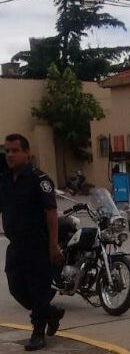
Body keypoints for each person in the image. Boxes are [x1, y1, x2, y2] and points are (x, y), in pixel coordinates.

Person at [1, 134, 65, 351]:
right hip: (16, 244)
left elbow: (51, 213)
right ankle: (50, 312)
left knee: (38, 289)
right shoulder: (5, 180)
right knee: (15, 286)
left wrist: (53, 245)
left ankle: (38, 333)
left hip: (38, 244)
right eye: (7, 150)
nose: (9, 154)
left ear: (27, 153)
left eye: (14, 150)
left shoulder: (40, 179)